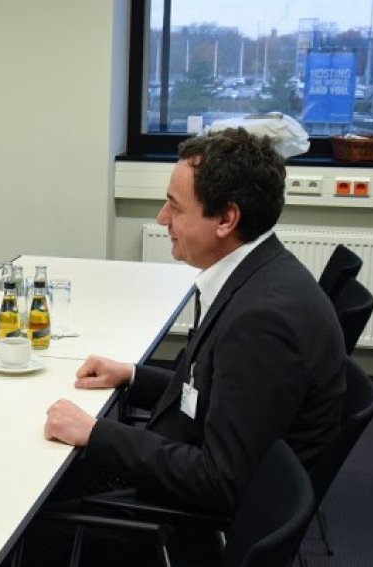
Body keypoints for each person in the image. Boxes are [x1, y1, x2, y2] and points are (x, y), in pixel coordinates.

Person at [29, 128, 346, 562]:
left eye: (175, 207)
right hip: (188, 480)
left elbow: (217, 480)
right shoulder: (261, 275)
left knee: (33, 510)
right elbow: (218, 393)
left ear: (225, 219)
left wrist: (97, 433)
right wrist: (133, 375)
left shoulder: (261, 322)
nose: (163, 219)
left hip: (183, 524)